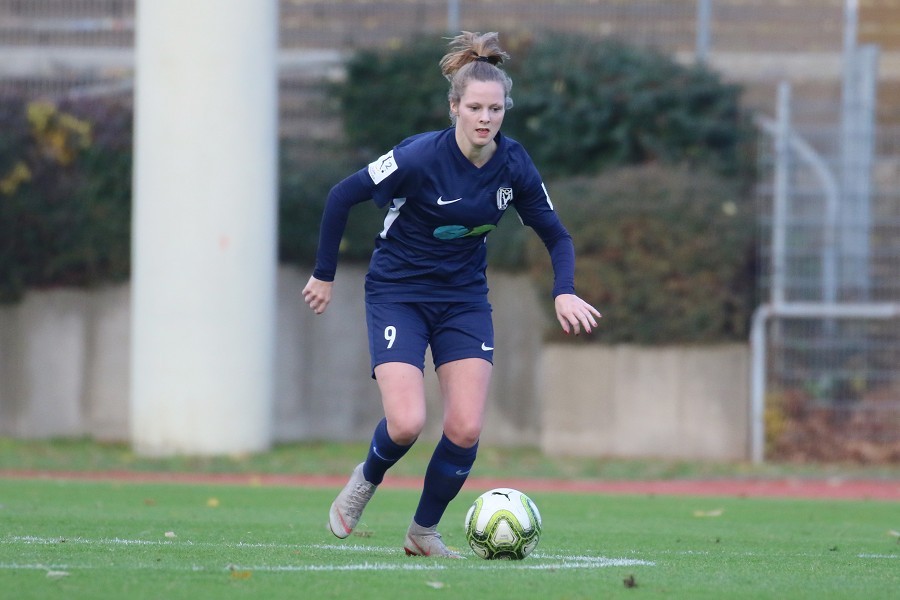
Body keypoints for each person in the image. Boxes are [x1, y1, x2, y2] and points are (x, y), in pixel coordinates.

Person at [302, 31, 602, 558]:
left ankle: (422, 532)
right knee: (408, 422)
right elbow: (341, 196)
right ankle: (365, 481)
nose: (486, 118)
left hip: (463, 299)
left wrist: (564, 291)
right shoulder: (417, 157)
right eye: (475, 108)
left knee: (464, 427)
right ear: (454, 108)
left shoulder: (514, 165)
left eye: (495, 108)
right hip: (398, 292)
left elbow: (556, 234)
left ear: (505, 110)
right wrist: (324, 273)